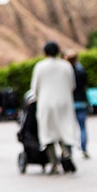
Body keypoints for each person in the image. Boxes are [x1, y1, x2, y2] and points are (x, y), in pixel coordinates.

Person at [30, 40, 77, 172]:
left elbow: (35, 88)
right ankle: (66, 153)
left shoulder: (40, 66)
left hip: (46, 103)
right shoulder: (66, 66)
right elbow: (72, 85)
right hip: (64, 102)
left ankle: (54, 164)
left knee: (48, 133)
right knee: (64, 130)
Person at [67, 51, 90, 158]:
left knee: (69, 128)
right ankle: (84, 149)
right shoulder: (81, 71)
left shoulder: (67, 72)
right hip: (81, 102)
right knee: (82, 128)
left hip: (70, 103)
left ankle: (68, 150)